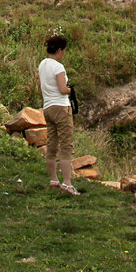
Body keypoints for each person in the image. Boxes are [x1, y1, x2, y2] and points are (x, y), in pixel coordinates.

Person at [38, 34, 79, 195]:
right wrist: (71, 90)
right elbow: (63, 89)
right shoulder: (58, 67)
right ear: (60, 50)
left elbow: (41, 85)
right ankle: (67, 183)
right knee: (66, 145)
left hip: (48, 107)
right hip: (61, 107)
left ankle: (54, 179)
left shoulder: (42, 64)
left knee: (52, 144)